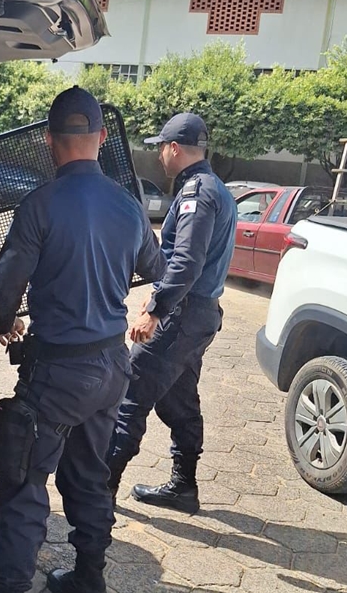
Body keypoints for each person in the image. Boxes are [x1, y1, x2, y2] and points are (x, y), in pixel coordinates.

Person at [0, 86, 165, 593]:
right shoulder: (129, 206)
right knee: (87, 476)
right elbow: (154, 268)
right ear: (102, 139)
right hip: (111, 368)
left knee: (21, 484)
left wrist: (6, 320)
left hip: (58, 372)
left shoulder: (40, 204)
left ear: (48, 141)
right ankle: (91, 586)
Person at [105, 112, 237, 514]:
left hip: (181, 314)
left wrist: (156, 310)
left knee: (131, 394)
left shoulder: (199, 193)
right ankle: (183, 487)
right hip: (198, 315)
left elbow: (186, 261)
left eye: (161, 147)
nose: (159, 154)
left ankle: (98, 494)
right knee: (179, 400)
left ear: (174, 149)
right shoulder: (215, 189)